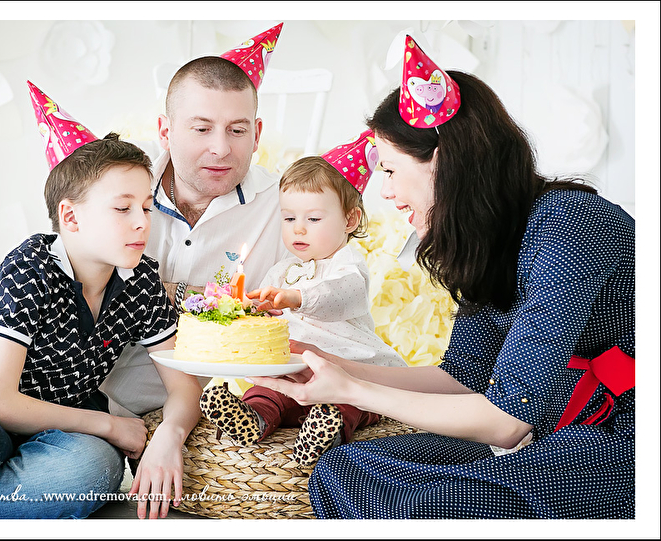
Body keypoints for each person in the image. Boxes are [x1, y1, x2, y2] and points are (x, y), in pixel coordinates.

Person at [249, 35, 635, 519]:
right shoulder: (487, 241)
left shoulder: (570, 225)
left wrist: (352, 391)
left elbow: (506, 423)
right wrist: (328, 363)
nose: (386, 193)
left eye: (391, 170)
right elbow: (461, 379)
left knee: (433, 501)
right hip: (554, 425)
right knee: (343, 470)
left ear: (442, 161)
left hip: (623, 436)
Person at [0, 82, 202, 519]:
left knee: (73, 463)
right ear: (70, 216)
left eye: (147, 208)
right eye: (122, 208)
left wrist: (170, 434)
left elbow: (184, 387)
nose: (141, 223)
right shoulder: (31, 266)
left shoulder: (141, 281)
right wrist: (110, 425)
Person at [99, 23, 290, 417]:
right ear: (165, 131)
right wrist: (184, 293)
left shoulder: (286, 206)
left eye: (237, 130)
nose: (220, 148)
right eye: (202, 129)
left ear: (256, 134)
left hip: (191, 410)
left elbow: (320, 315)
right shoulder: (114, 186)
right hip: (76, 384)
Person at [198, 131, 406, 467]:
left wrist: (296, 298)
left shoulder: (347, 264)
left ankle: (328, 429)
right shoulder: (282, 270)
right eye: (289, 218)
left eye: (313, 219)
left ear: (349, 220)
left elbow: (341, 295)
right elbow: (269, 318)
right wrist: (254, 310)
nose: (298, 229)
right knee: (268, 390)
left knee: (350, 401)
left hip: (343, 367)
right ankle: (253, 418)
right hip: (293, 373)